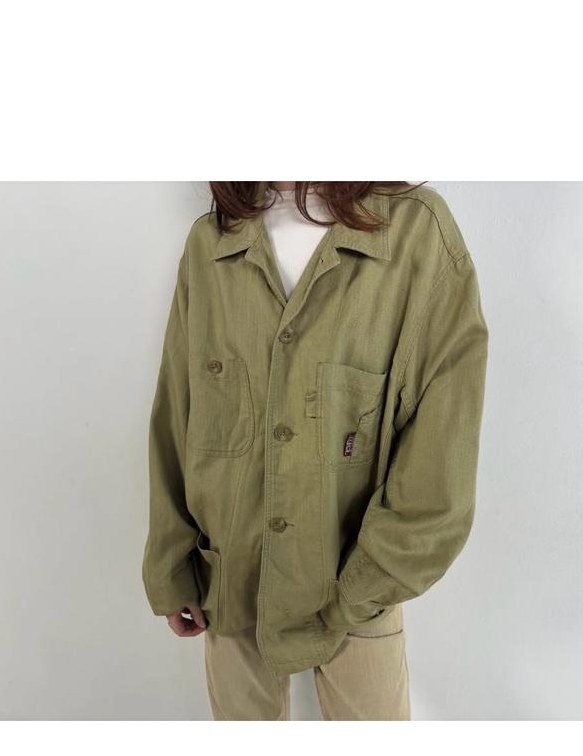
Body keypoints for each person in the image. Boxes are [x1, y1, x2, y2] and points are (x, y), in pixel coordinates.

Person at [142, 181, 488, 720]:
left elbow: (441, 442)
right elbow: (179, 412)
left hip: (359, 588)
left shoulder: (416, 234)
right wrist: (173, 566)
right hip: (230, 583)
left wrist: (366, 586)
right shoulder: (212, 242)